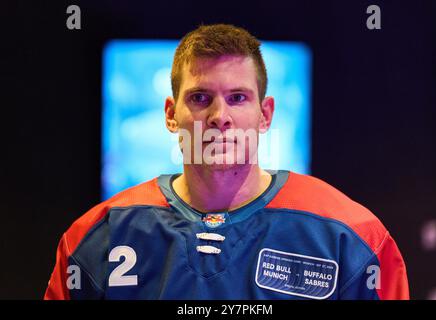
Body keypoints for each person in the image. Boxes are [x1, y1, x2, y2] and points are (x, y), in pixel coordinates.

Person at [45, 24, 409, 300]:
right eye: (201, 98)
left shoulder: (353, 237)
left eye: (238, 97)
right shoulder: (96, 238)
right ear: (171, 115)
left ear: (265, 114)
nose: (220, 116)